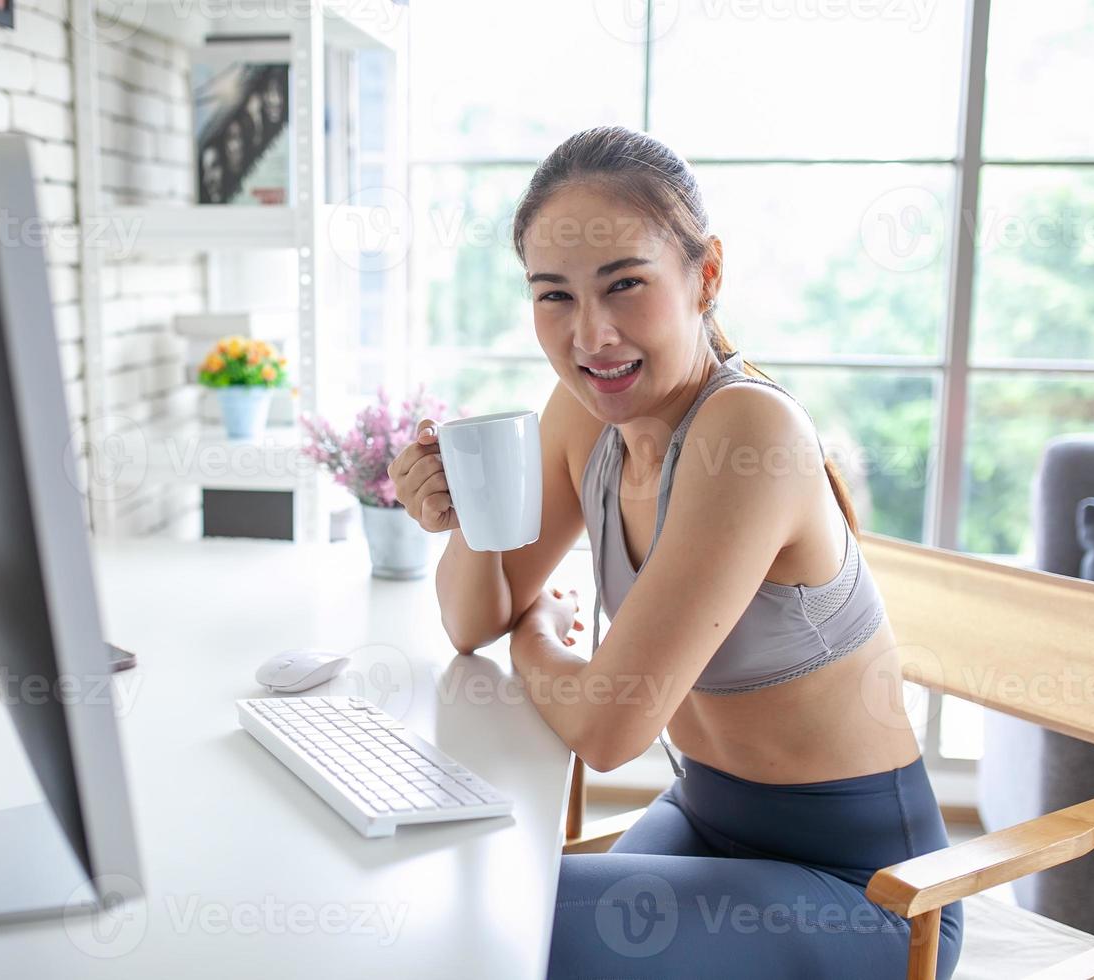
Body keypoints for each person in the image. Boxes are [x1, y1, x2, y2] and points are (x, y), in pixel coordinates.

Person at [388, 125, 962, 979]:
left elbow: (608, 728)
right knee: (475, 904)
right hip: (706, 824)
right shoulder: (589, 407)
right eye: (555, 295)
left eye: (626, 285)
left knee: (496, 927)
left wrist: (538, 635)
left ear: (707, 275)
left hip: (870, 897)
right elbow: (472, 621)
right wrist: (471, 517)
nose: (592, 336)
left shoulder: (749, 432)